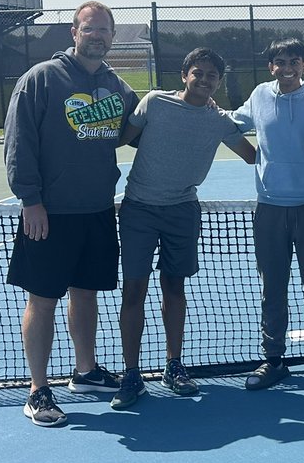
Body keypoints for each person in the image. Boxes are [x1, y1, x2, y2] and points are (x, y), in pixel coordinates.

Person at [5, 0, 138, 427]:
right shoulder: (41, 79)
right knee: (42, 300)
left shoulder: (117, 86)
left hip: (98, 210)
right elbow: (18, 142)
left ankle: (85, 371)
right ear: (74, 33)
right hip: (50, 213)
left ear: (113, 37)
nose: (97, 36)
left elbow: (138, 129)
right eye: (89, 28)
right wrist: (31, 200)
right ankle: (38, 390)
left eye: (104, 30)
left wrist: (193, 109)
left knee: (86, 292)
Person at [110, 47, 256, 409]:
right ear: (185, 75)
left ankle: (174, 365)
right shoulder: (155, 102)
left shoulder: (219, 120)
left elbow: (252, 155)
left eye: (211, 76)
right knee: (134, 292)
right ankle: (131, 374)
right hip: (138, 210)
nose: (204, 80)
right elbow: (120, 137)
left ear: (218, 84)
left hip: (182, 212)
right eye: (198, 73)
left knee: (174, 289)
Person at [230, 39, 304, 390]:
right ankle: (273, 359)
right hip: (270, 209)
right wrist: (251, 156)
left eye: (294, 61)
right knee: (272, 289)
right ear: (271, 66)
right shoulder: (260, 94)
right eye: (280, 61)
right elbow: (229, 125)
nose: (287, 67)